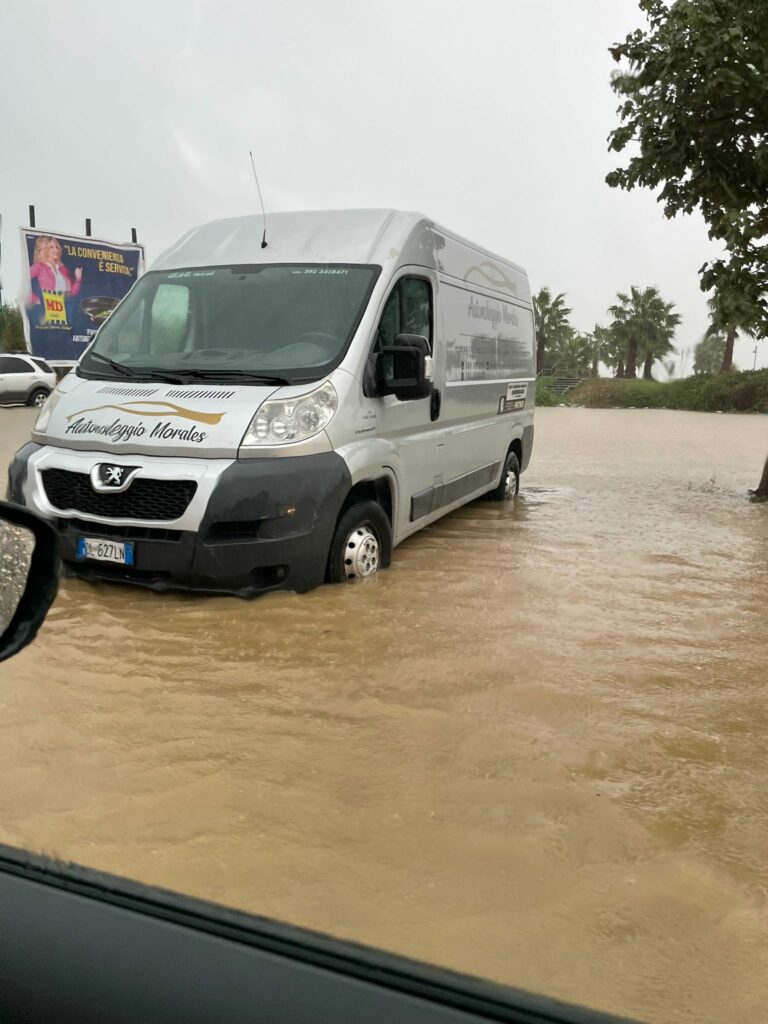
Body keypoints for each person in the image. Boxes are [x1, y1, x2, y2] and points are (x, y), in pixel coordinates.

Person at [27, 236, 82, 304]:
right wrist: (37, 300)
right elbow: (24, 281)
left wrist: (78, 279)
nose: (56, 250)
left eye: (57, 247)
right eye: (51, 247)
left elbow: (72, 293)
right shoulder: (39, 266)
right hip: (48, 309)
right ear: (44, 249)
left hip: (65, 309)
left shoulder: (63, 269)